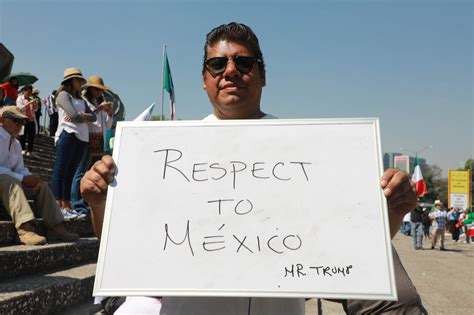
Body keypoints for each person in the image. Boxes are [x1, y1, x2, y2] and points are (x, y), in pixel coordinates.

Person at [81, 22, 427, 315]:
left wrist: (392, 214)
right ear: (204, 79)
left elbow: (344, 254)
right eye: (217, 65)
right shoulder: (163, 159)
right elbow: (126, 251)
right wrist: (99, 202)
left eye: (243, 63)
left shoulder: (311, 155)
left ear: (262, 75)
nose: (230, 71)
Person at [0, 106, 79, 245]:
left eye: (22, 122)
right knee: (11, 181)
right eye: (16, 121)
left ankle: (56, 227)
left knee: (41, 186)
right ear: (2, 120)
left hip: (8, 182)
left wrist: (31, 177)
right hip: (7, 182)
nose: (20, 126)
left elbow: (19, 169)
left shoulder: (16, 144)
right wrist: (22, 178)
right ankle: (24, 229)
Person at [51, 68, 96, 221]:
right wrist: (82, 117)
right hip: (67, 134)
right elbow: (73, 116)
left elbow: (93, 116)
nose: (80, 82)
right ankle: (58, 206)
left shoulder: (82, 100)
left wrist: (81, 116)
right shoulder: (63, 95)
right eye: (77, 79)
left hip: (82, 138)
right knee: (61, 170)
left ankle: (67, 206)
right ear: (70, 81)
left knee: (70, 172)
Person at [71, 76, 113, 215]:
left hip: (98, 139)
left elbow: (107, 125)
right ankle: (77, 203)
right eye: (97, 90)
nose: (99, 93)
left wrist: (109, 113)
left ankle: (87, 203)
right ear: (90, 89)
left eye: (101, 91)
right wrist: (97, 110)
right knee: (80, 171)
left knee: (92, 171)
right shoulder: (84, 102)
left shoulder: (97, 102)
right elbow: (84, 119)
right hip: (87, 137)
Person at [16, 85, 39, 157]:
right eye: (28, 92)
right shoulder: (20, 98)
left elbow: (35, 110)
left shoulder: (31, 98)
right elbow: (20, 108)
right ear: (24, 91)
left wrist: (35, 105)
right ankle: (22, 149)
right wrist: (29, 103)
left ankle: (30, 150)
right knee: (23, 135)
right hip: (24, 119)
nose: (29, 94)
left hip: (31, 119)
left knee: (31, 136)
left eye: (30, 92)